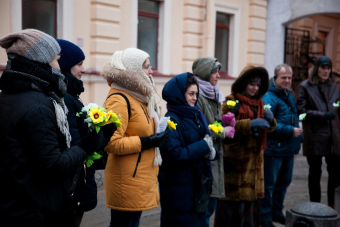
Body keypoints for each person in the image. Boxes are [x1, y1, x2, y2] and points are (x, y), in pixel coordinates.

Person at [0, 29, 112, 227]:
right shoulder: (38, 105)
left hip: (17, 205)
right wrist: (87, 145)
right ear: (41, 61)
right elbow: (53, 166)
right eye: (56, 59)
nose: (59, 67)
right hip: (37, 211)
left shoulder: (10, 96)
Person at [101, 47, 167, 227]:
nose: (151, 71)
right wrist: (147, 142)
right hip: (127, 179)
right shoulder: (119, 99)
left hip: (140, 176)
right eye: (146, 67)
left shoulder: (139, 97)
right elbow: (111, 143)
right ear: (134, 70)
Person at [56, 39, 112, 226]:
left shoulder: (71, 95)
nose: (83, 69)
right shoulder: (68, 99)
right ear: (65, 65)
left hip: (75, 185)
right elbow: (78, 147)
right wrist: (102, 132)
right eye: (79, 64)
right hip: (72, 187)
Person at [214, 65, 277, 227]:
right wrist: (250, 124)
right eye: (251, 84)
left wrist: (271, 120)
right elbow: (221, 128)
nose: (255, 88)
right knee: (230, 215)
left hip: (254, 172)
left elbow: (269, 128)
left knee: (249, 215)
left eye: (258, 85)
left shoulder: (260, 104)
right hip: (234, 170)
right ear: (243, 84)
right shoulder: (230, 102)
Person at [159, 72, 216, 227]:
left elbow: (200, 140)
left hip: (195, 188)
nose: (194, 98)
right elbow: (175, 154)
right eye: (191, 94)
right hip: (178, 191)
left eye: (196, 94)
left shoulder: (193, 114)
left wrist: (211, 151)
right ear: (179, 94)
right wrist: (204, 146)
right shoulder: (171, 120)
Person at [192, 57, 235, 225]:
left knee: (209, 207)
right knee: (203, 210)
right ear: (205, 73)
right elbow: (197, 129)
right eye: (214, 72)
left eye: (219, 72)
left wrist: (224, 121)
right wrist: (222, 131)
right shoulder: (198, 95)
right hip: (204, 160)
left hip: (215, 157)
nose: (218, 76)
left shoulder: (214, 92)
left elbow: (211, 123)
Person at [260, 64, 303, 227]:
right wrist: (289, 131)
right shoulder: (269, 97)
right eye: (283, 77)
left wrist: (299, 136)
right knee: (269, 186)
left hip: (287, 149)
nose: (287, 81)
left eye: (289, 78)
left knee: (283, 184)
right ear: (275, 78)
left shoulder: (288, 94)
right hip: (273, 150)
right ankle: (264, 218)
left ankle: (277, 212)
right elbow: (268, 124)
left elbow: (293, 116)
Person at [296, 56, 340, 208]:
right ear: (317, 69)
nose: (326, 71)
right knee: (315, 172)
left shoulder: (334, 86)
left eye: (328, 68)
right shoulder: (305, 86)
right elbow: (301, 112)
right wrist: (321, 115)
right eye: (323, 68)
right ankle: (315, 206)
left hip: (333, 137)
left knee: (335, 172)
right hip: (315, 135)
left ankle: (332, 205)